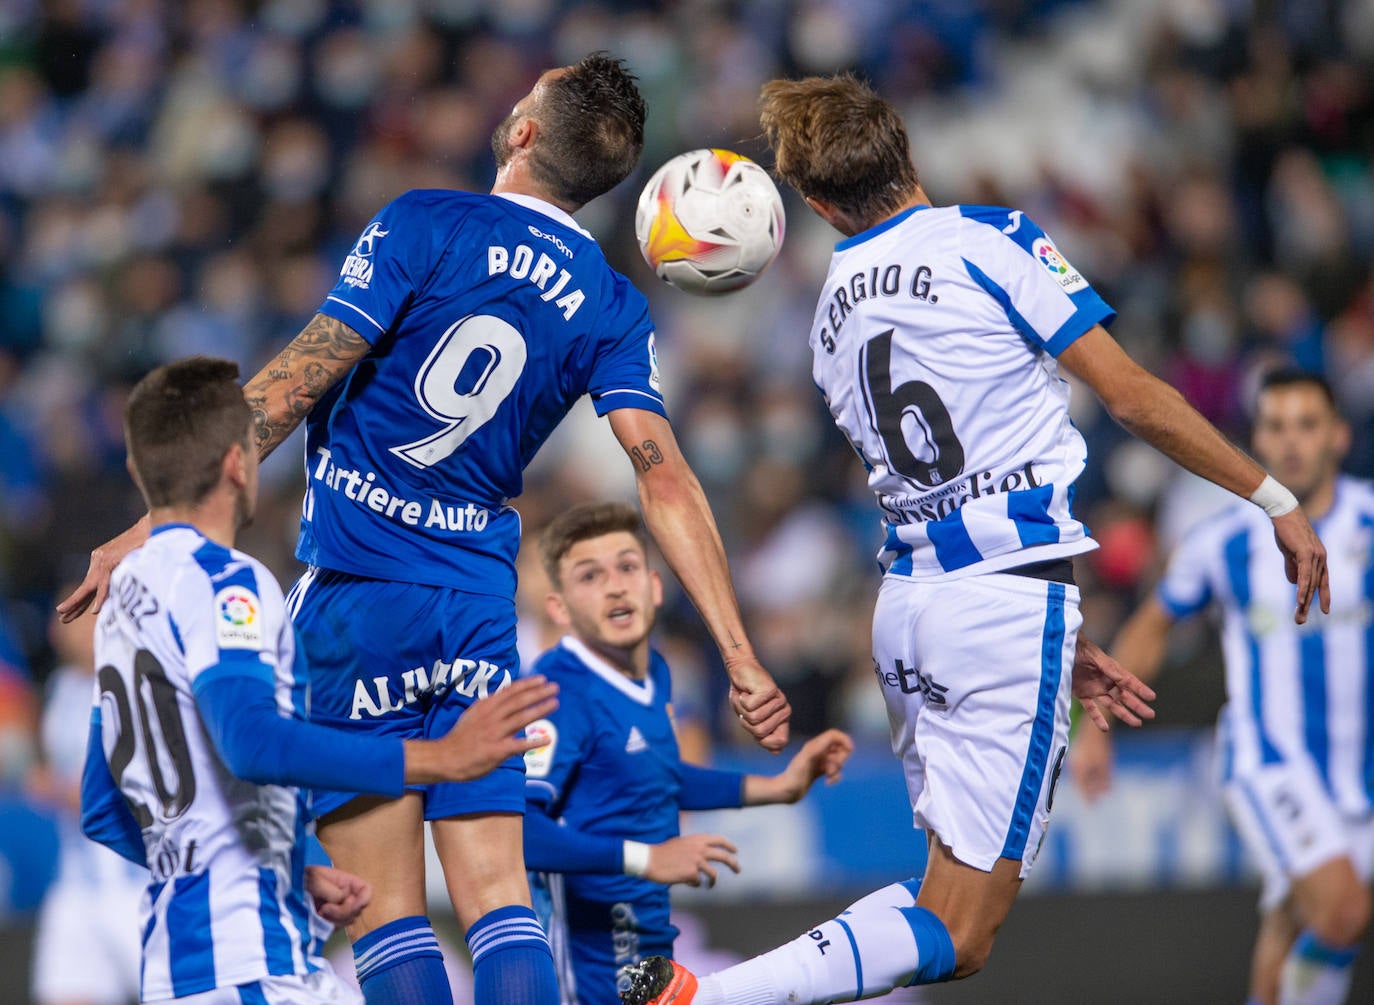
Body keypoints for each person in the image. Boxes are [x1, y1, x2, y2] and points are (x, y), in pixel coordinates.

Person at [60, 53, 790, 1005]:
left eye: (526, 95)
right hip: (480, 608)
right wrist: (740, 653)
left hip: (361, 595)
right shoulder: (614, 305)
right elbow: (666, 477)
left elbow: (295, 380)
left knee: (390, 911)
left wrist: (156, 520)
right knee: (499, 899)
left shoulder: (423, 221)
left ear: (525, 132)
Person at [618, 73, 1329, 1005]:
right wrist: (1271, 493)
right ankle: (705, 998)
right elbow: (1129, 394)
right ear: (907, 151)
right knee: (963, 930)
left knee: (939, 898)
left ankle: (706, 994)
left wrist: (1053, 638)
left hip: (915, 608)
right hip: (1003, 600)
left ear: (821, 205)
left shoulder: (828, 311)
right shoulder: (991, 241)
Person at [80, 356, 559, 1004]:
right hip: (259, 969)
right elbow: (252, 741)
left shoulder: (123, 606)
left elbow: (104, 809)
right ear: (239, 462)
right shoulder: (231, 584)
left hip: (177, 970)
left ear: (139, 471)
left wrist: (292, 864)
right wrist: (440, 757)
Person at [1070, 370, 1373, 1005]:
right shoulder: (1224, 540)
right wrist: (1094, 731)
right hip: (1271, 761)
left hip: (1359, 770)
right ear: (1257, 439)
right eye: (1276, 426)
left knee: (1294, 920)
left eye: (1307, 425)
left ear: (1339, 436)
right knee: (1343, 911)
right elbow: (1154, 623)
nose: (1291, 442)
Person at [523, 502, 854, 1004]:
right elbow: (520, 829)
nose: (615, 585)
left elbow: (653, 773)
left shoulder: (653, 671)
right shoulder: (556, 692)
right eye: (590, 575)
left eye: (627, 567)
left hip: (647, 943)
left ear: (655, 587)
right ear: (559, 608)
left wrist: (778, 787)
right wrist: (647, 858)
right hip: (588, 960)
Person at [29, 587, 145, 1005]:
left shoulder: (139, 688)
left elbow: (132, 789)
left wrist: (57, 790)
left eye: (79, 616)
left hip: (137, 883)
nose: (66, 629)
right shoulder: (60, 689)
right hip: (77, 885)